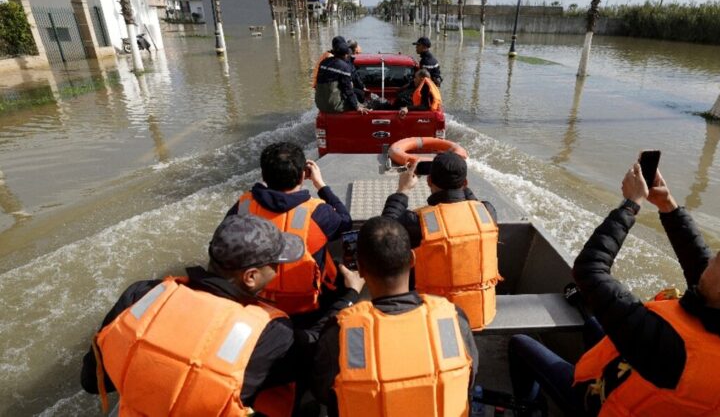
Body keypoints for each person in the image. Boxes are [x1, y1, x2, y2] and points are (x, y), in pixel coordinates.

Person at [508, 162, 720, 416]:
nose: (709, 263)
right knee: (594, 322)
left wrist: (630, 204)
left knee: (520, 344)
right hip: (664, 392)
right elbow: (703, 269)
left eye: (719, 258)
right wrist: (668, 207)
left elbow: (589, 270)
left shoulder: (672, 349)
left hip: (600, 406)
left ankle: (529, 407)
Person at [80, 215, 303, 417]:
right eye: (275, 265)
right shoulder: (272, 333)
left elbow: (91, 381)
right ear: (250, 276)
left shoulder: (141, 293)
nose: (277, 270)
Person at [311, 216, 479, 417]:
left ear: (361, 270)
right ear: (412, 260)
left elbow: (322, 391)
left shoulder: (340, 332)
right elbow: (470, 375)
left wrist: (350, 295)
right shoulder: (452, 318)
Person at [227, 142, 353, 316]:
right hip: (309, 308)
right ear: (303, 176)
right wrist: (321, 186)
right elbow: (346, 222)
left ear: (263, 175)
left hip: (257, 304)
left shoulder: (243, 205)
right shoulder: (318, 212)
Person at [382, 152, 500, 330]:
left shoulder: (417, 222)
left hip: (435, 320)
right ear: (465, 183)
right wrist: (460, 182)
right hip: (480, 314)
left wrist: (403, 190)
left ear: (429, 181)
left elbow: (383, 233)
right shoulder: (487, 212)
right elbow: (471, 203)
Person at [315, 42, 370, 114]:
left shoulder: (324, 62)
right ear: (346, 54)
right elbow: (348, 89)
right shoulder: (344, 67)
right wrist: (357, 106)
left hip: (320, 105)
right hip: (335, 106)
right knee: (365, 102)